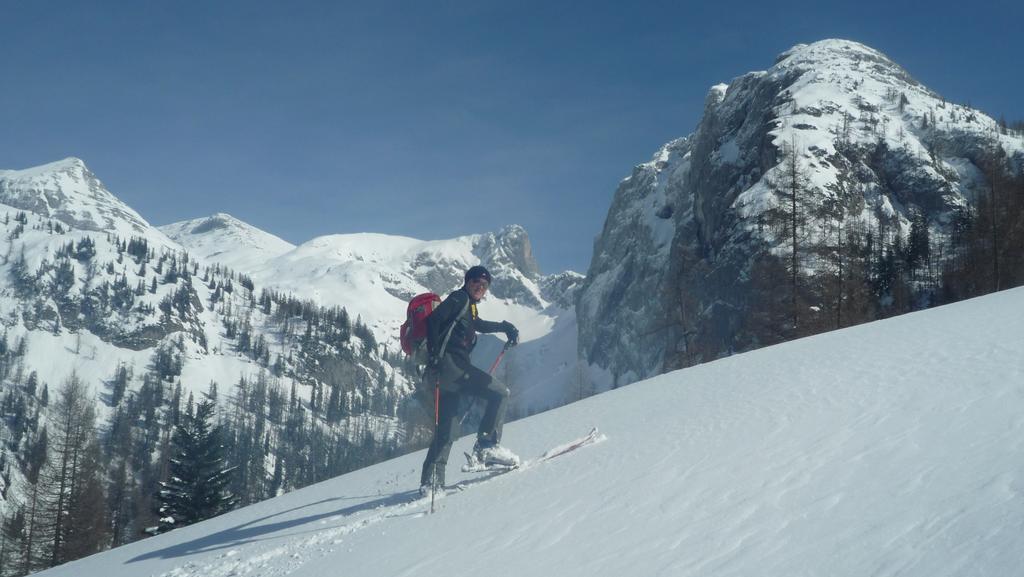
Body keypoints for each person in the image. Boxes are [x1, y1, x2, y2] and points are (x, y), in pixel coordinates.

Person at [419, 265, 520, 494]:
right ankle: (486, 446)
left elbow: (479, 324)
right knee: (500, 393)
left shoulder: (468, 307)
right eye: (476, 282)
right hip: (453, 368)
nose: (480, 287)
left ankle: (431, 483)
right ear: (467, 281)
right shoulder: (458, 298)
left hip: (444, 376)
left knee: (447, 429)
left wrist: (504, 327)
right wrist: (435, 355)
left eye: (484, 285)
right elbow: (433, 321)